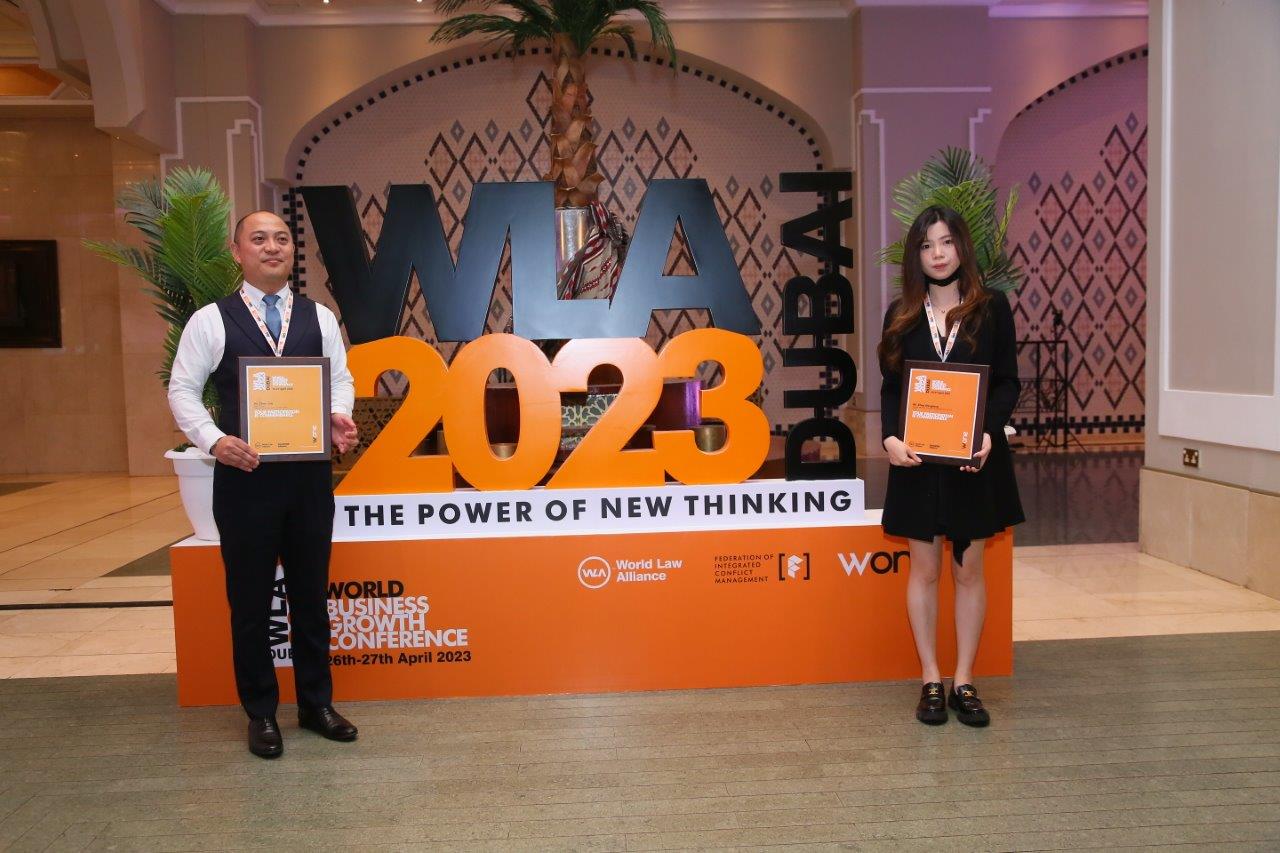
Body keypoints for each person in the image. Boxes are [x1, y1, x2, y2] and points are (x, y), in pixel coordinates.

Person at [168, 210, 361, 758]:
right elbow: (182, 389)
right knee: (251, 602)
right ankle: (261, 713)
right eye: (258, 239)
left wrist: (338, 415)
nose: (272, 246)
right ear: (238, 252)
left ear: (291, 251)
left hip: (307, 481)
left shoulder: (319, 317)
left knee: (311, 598)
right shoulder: (210, 320)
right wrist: (214, 441)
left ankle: (317, 705)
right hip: (244, 481)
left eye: (281, 238)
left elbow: (339, 378)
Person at [878, 205, 1024, 728]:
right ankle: (931, 679)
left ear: (961, 246)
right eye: (926, 245)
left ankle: (964, 680)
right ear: (915, 256)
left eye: (945, 242)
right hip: (917, 463)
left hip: (973, 461)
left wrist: (989, 432)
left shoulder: (992, 307)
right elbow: (892, 387)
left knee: (969, 570)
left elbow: (1007, 381)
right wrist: (890, 438)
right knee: (924, 570)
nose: (937, 254)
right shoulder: (902, 313)